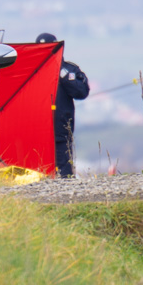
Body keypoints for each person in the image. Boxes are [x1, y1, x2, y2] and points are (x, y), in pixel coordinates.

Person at [36, 33, 90, 178]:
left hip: (61, 131)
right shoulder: (31, 72)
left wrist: (63, 74)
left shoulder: (68, 70)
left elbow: (82, 92)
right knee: (36, 172)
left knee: (64, 173)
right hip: (35, 132)